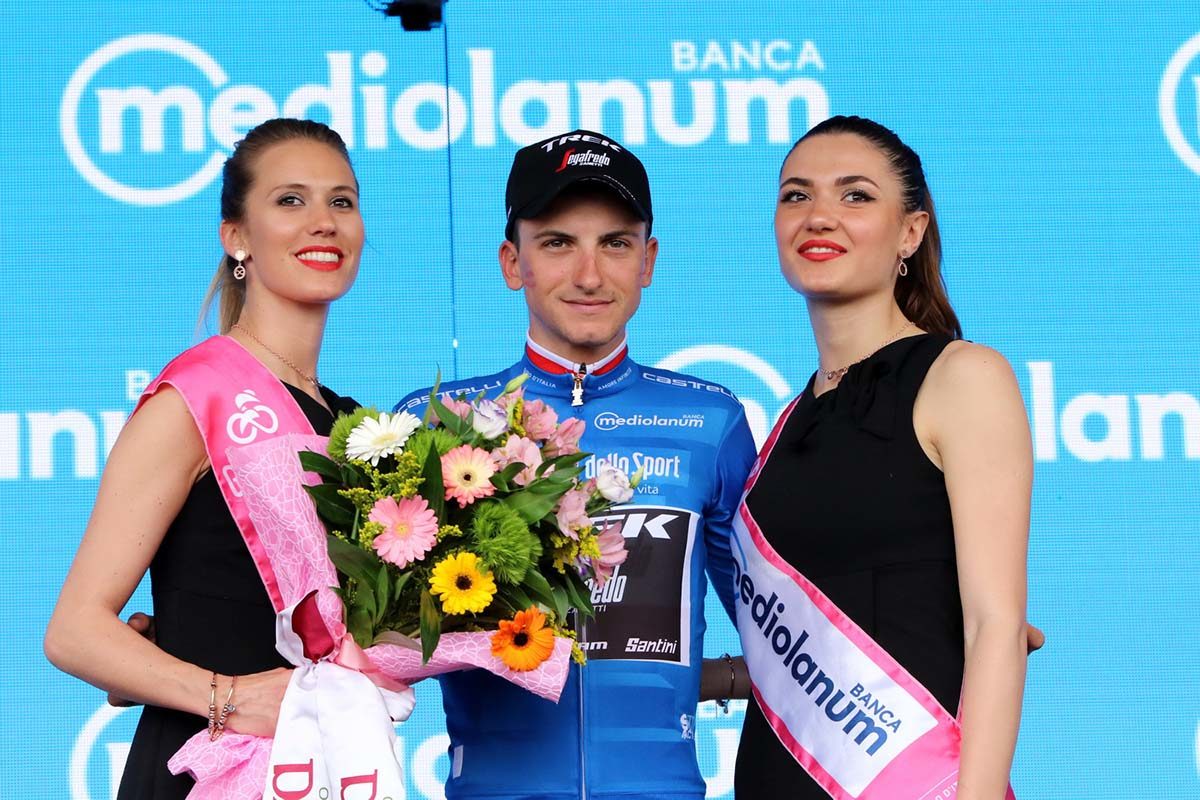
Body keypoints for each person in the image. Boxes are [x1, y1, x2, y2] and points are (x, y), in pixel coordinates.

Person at [394, 129, 758, 800]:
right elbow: (375, 637)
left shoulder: (711, 422)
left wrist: (716, 679)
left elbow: (780, 632)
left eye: (615, 243)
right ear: (512, 262)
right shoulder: (437, 422)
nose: (589, 275)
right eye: (558, 243)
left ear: (648, 260)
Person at [44, 118, 364, 799]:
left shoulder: (354, 425)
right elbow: (74, 631)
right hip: (202, 769)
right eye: (290, 199)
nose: (324, 221)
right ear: (236, 236)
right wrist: (229, 696)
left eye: (341, 200)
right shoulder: (194, 398)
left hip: (329, 767)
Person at [731, 115, 1031, 799]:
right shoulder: (787, 423)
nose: (819, 216)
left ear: (910, 232)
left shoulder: (962, 377)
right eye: (797, 195)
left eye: (856, 195)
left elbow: (997, 625)